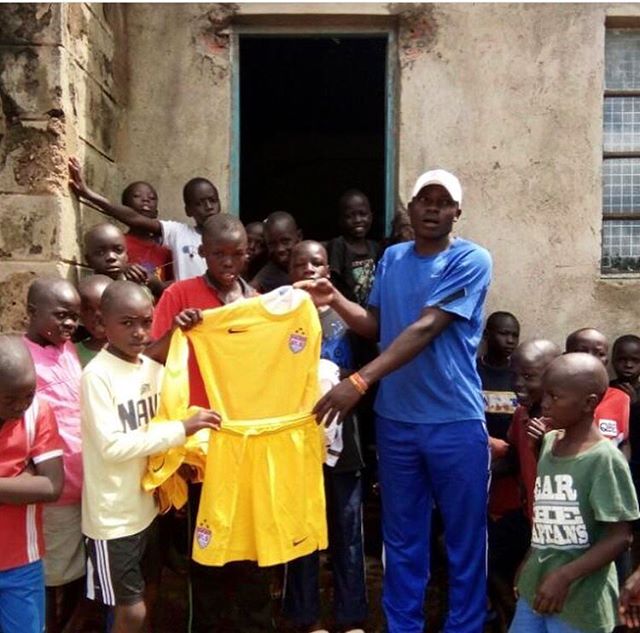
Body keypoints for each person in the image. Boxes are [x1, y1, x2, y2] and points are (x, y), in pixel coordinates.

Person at [299, 169, 492, 632]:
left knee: (464, 540)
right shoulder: (394, 259)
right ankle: (403, 625)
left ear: (457, 212)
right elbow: (378, 324)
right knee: (403, 539)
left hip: (454, 422)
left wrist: (360, 382)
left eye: (442, 201)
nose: (431, 207)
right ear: (410, 207)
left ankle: (463, 627)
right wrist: (337, 300)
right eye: (423, 199)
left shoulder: (472, 259)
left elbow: (425, 328)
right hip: (398, 423)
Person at [148, 215, 273, 633]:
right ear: (201, 252)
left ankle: (253, 623)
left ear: (248, 253)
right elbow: (150, 358)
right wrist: (178, 331)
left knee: (251, 546)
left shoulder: (255, 301)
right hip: (199, 443)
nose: (228, 262)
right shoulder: (179, 295)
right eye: (219, 253)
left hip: (247, 441)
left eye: (237, 253)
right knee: (206, 544)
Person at [80, 281, 220, 633]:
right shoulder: (97, 376)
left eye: (146, 321)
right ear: (102, 323)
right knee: (131, 612)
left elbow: (168, 415)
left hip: (146, 509)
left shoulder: (151, 369)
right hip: (112, 520)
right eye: (127, 323)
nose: (139, 332)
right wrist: (181, 430)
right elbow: (112, 446)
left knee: (150, 595)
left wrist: (186, 454)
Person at [511, 353, 639, 633]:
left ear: (589, 403)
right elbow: (548, 513)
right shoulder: (549, 443)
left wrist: (564, 576)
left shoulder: (604, 459)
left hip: (580, 598)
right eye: (544, 394)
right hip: (537, 586)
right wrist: (530, 561)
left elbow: (620, 537)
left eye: (554, 397)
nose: (544, 403)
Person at [284, 240, 367, 633]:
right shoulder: (276, 315)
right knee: (301, 528)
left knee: (346, 526)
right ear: (289, 272)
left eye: (316, 262)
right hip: (294, 437)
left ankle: (351, 616)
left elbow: (372, 366)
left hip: (342, 436)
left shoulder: (346, 315)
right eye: (299, 264)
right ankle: (306, 617)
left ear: (327, 271)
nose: (308, 269)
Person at [22, 278, 86, 632]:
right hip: (55, 494)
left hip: (82, 489)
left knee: (75, 573)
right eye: (61, 315)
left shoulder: (67, 349)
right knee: (50, 578)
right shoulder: (22, 359)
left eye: (74, 317)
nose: (70, 324)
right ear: (33, 312)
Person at [0, 335, 64, 633]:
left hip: (20, 561)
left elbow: (51, 487)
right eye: (10, 398)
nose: (22, 405)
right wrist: (18, 482)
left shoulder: (38, 412)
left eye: (29, 393)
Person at [69, 157, 220, 281]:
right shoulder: (179, 233)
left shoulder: (230, 236)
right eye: (199, 203)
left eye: (213, 201)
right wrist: (89, 195)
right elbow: (134, 218)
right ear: (188, 210)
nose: (208, 207)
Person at [477, 311, 522, 631]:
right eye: (503, 333)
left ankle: (509, 614)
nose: (509, 341)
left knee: (503, 553)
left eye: (514, 335)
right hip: (476, 470)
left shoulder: (519, 376)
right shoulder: (473, 371)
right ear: (486, 334)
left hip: (510, 474)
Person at [508, 339, 562, 522]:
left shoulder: (567, 421)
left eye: (528, 376)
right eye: (513, 375)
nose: (517, 383)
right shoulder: (521, 414)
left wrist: (543, 444)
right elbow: (515, 456)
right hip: (531, 516)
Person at [566, 327, 630, 450]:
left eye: (600, 354)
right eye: (582, 351)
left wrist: (619, 467)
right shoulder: (556, 398)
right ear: (566, 356)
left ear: (606, 361)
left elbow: (623, 442)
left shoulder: (620, 398)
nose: (591, 359)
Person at [326, 189, 380, 307]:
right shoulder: (339, 246)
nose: (358, 220)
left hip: (370, 313)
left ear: (371, 216)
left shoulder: (375, 248)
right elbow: (333, 283)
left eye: (363, 214)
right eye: (350, 216)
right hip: (347, 313)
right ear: (340, 220)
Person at [251, 211, 301, 293]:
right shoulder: (267, 274)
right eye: (272, 244)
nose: (279, 249)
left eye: (285, 241)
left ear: (299, 237)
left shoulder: (312, 258)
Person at [75, 274, 112, 367]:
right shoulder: (72, 354)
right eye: (88, 309)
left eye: (103, 307)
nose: (97, 315)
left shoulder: (132, 348)